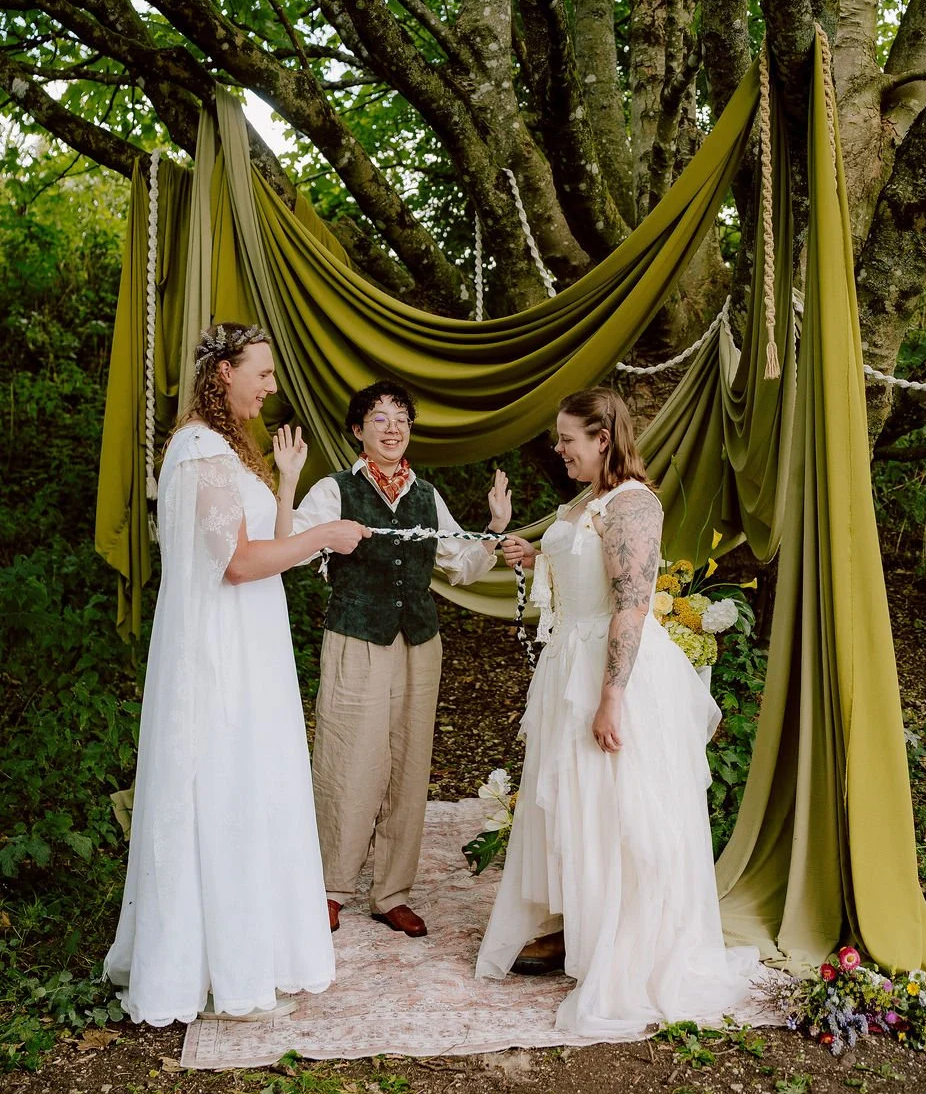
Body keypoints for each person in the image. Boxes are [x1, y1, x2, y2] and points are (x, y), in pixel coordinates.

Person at [476, 387, 764, 1037]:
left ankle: (626, 943)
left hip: (613, 670)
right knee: (579, 802)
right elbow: (579, 572)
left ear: (602, 438)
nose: (559, 449)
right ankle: (582, 926)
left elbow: (630, 605)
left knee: (620, 806)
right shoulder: (585, 501)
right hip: (568, 660)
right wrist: (533, 554)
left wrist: (612, 697)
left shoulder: (633, 504)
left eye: (568, 439)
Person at [104, 323, 367, 1026]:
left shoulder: (226, 450)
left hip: (254, 646)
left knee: (257, 787)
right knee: (223, 789)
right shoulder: (197, 451)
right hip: (220, 654)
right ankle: (212, 961)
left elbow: (263, 542)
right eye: (264, 372)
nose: (272, 386)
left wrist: (286, 485)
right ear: (224, 372)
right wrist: (326, 535)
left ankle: (257, 948)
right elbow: (238, 563)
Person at [278, 378, 512, 939]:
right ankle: (331, 887)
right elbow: (288, 550)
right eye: (379, 418)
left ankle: (391, 892)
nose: (393, 428)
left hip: (418, 640)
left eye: (402, 418)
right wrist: (288, 485)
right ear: (358, 430)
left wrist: (496, 529)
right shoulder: (335, 490)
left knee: (409, 763)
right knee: (348, 759)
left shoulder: (427, 495)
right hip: (357, 634)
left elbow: (462, 565)